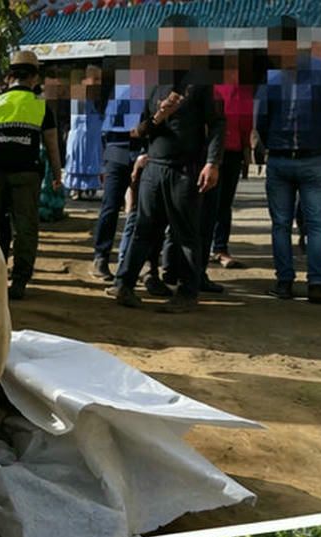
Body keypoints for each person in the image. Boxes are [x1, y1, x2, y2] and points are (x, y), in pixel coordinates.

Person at [109, 16, 222, 314]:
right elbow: (136, 132)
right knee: (143, 230)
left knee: (186, 233)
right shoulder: (153, 82)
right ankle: (124, 284)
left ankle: (187, 293)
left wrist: (212, 163)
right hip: (154, 168)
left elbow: (218, 124)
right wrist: (159, 116)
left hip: (185, 170)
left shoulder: (200, 81)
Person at [254, 17, 321, 303]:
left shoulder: (272, 78)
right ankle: (316, 284)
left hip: (281, 160)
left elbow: (262, 120)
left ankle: (284, 283)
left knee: (281, 224)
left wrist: (269, 146)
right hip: (315, 159)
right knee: (316, 224)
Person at [0, 50, 63, 300]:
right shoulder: (41, 107)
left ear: (10, 75)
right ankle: (19, 281)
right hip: (27, 176)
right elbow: (52, 144)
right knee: (25, 229)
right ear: (34, 77)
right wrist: (57, 175)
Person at [92, 66, 144, 280]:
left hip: (142, 151)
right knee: (111, 206)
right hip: (118, 150)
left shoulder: (155, 88)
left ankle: (139, 264)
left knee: (142, 211)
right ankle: (101, 258)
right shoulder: (121, 89)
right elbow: (107, 128)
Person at [210, 51, 256, 270]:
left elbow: (246, 125)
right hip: (211, 153)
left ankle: (220, 247)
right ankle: (202, 245)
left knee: (225, 202)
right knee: (208, 201)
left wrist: (247, 152)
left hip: (234, 153)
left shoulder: (245, 92)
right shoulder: (211, 88)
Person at [64, 66, 104, 200]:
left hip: (93, 133)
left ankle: (90, 188)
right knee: (79, 160)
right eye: (96, 79)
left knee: (92, 159)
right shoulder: (80, 91)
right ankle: (76, 188)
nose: (99, 83)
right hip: (80, 133)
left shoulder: (97, 94)